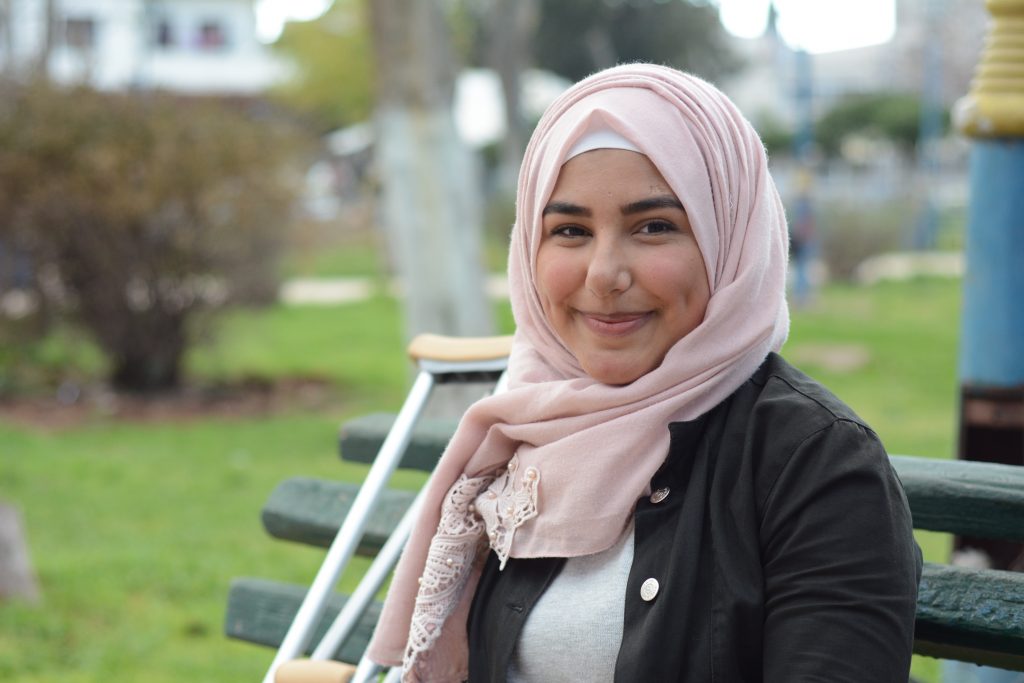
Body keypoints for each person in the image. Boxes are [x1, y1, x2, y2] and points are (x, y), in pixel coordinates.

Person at [366, 63, 921, 682]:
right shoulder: (525, 432)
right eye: (571, 230)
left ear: (728, 239)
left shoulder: (814, 462)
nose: (604, 274)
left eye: (654, 227)